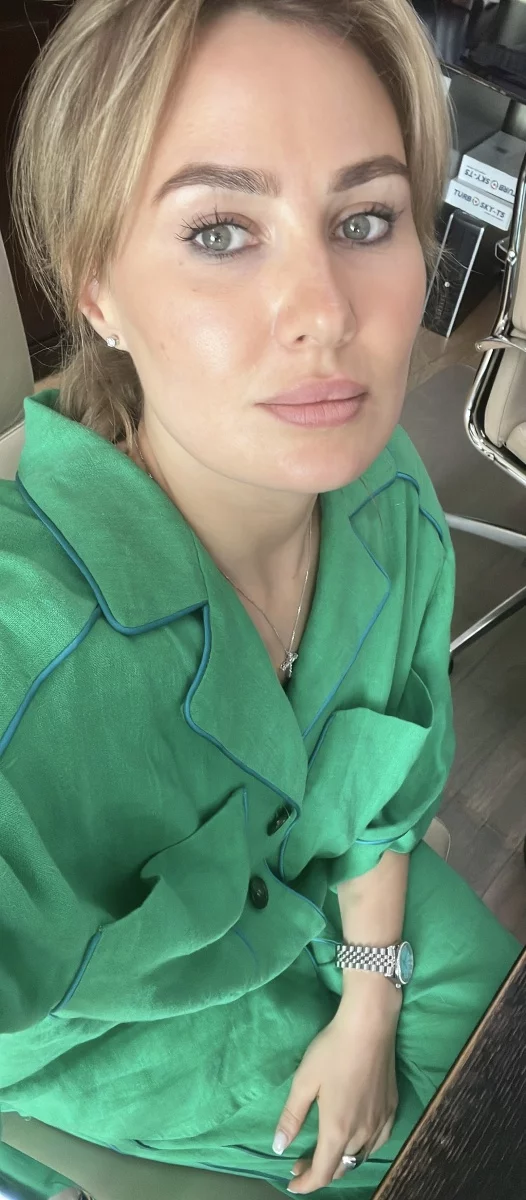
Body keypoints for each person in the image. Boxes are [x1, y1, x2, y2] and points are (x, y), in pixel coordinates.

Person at [0, 1, 521, 1198]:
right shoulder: (28, 655)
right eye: (221, 230)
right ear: (96, 290)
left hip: (332, 897)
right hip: (139, 1038)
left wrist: (371, 997)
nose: (327, 311)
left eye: (365, 219)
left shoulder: (387, 496)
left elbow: (380, 791)